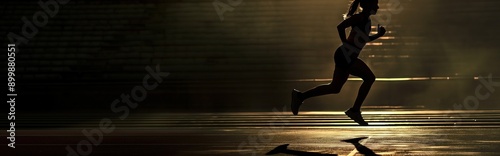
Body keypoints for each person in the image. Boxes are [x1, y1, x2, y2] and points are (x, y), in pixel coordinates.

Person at [291, 0, 386, 126]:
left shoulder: (366, 20)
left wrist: (378, 35)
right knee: (369, 78)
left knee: (335, 88)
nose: (378, 7)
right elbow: (340, 27)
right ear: (369, 5)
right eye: (375, 4)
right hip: (346, 56)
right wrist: (345, 43)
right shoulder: (359, 17)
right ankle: (355, 110)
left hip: (346, 56)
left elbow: (364, 39)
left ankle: (300, 96)